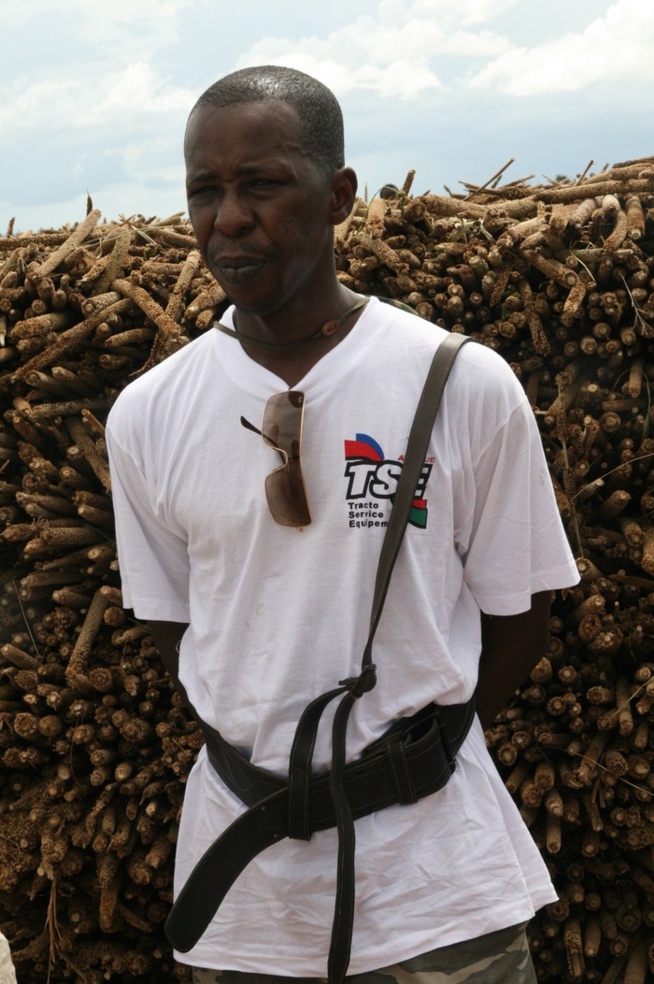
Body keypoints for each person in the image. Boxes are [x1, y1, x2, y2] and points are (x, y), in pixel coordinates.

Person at [106, 65, 579, 984]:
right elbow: (178, 625)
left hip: (439, 888)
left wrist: (399, 770)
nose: (228, 219)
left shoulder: (461, 384)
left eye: (262, 184)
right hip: (247, 897)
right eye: (205, 190)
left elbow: (522, 621)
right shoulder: (150, 414)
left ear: (340, 196)